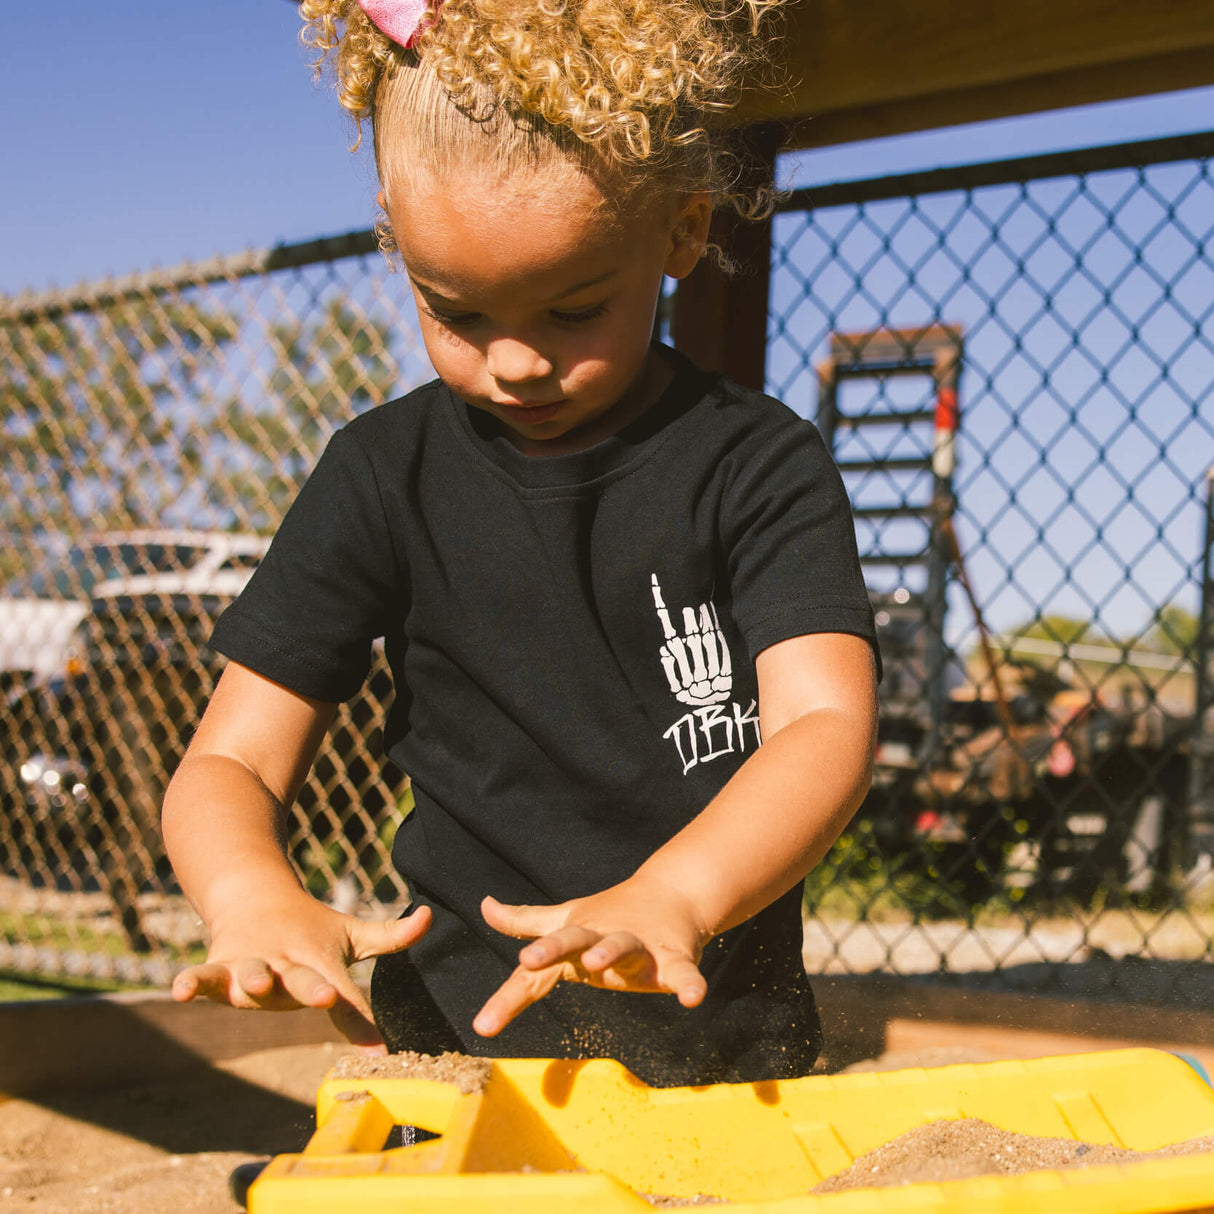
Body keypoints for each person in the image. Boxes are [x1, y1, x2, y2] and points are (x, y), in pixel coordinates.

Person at [162, 0, 880, 1088]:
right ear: (396, 240)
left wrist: (675, 894)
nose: (513, 363)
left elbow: (822, 723)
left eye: (572, 309)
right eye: (453, 311)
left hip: (721, 1043)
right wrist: (249, 894)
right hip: (451, 1049)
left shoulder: (755, 462)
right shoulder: (377, 473)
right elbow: (229, 756)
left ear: (682, 231)